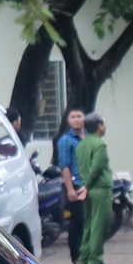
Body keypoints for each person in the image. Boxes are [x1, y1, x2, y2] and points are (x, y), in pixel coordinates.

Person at [71, 115, 113, 264]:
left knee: (88, 224)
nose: (105, 127)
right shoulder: (99, 145)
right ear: (99, 126)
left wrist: (85, 186)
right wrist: (88, 185)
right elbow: (96, 167)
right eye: (104, 124)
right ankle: (95, 260)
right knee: (99, 225)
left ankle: (84, 258)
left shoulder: (81, 145)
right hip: (99, 189)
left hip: (86, 188)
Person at [54, 108, 87, 254]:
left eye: (79, 116)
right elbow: (65, 166)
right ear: (68, 120)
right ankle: (76, 256)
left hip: (88, 184)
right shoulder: (65, 140)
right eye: (73, 117)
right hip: (75, 184)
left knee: (89, 222)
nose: (76, 119)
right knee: (77, 222)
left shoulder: (90, 137)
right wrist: (70, 189)